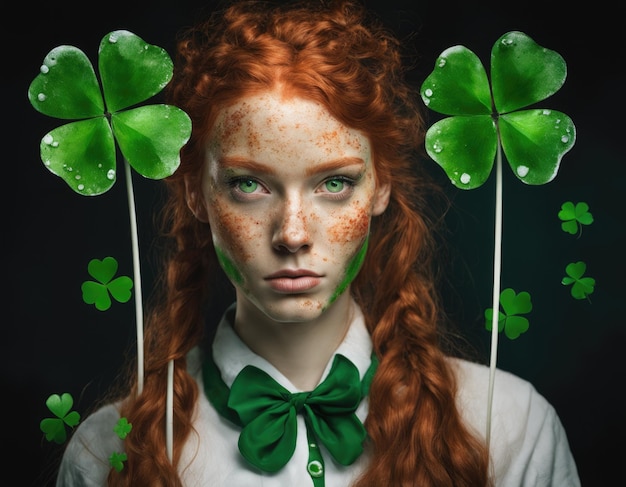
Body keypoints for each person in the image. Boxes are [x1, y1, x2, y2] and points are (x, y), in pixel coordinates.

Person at [55, 0, 581, 485]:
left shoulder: (508, 426)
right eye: (249, 184)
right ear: (196, 194)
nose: (292, 234)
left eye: (335, 183)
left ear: (381, 188)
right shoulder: (108, 453)